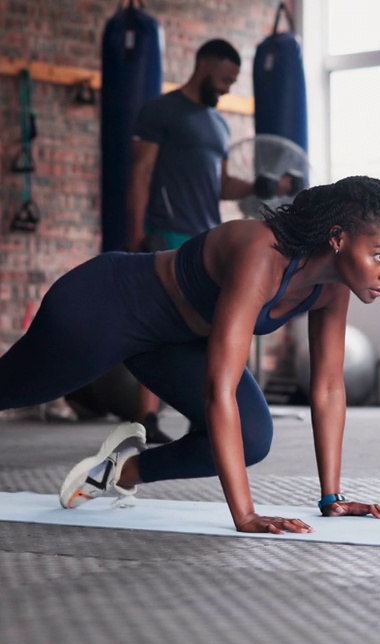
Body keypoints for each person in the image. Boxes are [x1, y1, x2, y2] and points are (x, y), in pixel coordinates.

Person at [0, 175, 380, 535]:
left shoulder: (333, 288)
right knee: (10, 387)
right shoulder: (260, 253)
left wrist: (332, 497)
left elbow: (329, 388)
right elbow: (219, 386)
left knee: (255, 438)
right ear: (338, 238)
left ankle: (124, 468)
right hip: (111, 303)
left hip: (173, 339)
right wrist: (244, 515)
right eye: (379, 255)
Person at [126, 38, 294, 444]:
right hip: (167, 230)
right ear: (203, 64)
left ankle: (202, 415)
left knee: (212, 326)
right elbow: (141, 174)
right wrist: (136, 238)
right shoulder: (161, 111)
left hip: (207, 236)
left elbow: (221, 186)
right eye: (222, 79)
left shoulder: (219, 125)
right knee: (163, 326)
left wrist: (261, 184)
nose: (226, 88)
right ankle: (146, 418)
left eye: (232, 82)